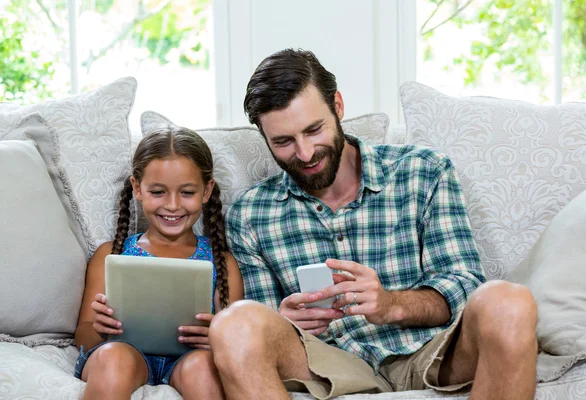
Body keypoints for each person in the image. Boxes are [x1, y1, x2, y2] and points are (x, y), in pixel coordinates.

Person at [209, 49, 538, 400]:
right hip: (325, 360)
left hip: (429, 351)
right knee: (234, 324)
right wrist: (285, 318)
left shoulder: (423, 171)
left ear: (337, 105)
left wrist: (391, 304)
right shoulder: (250, 213)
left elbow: (464, 285)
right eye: (283, 142)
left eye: (314, 129)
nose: (305, 154)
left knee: (509, 301)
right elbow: (262, 322)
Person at [74, 127, 243, 400]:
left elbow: (235, 341)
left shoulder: (222, 263)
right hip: (123, 354)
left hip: (190, 360)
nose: (173, 205)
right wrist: (98, 329)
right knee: (113, 358)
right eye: (158, 192)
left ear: (206, 190)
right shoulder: (112, 254)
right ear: (137, 188)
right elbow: (83, 335)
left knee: (203, 369)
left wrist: (216, 338)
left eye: (187, 192)